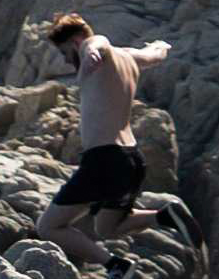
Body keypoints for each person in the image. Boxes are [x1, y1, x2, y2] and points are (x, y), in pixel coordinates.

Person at [45, 14, 170, 257]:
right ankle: (165, 217)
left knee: (48, 226)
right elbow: (153, 56)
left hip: (104, 160)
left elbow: (97, 42)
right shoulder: (126, 57)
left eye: (65, 53)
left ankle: (114, 266)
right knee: (106, 227)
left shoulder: (93, 49)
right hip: (131, 160)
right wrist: (161, 47)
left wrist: (91, 52)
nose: (68, 62)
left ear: (76, 41)